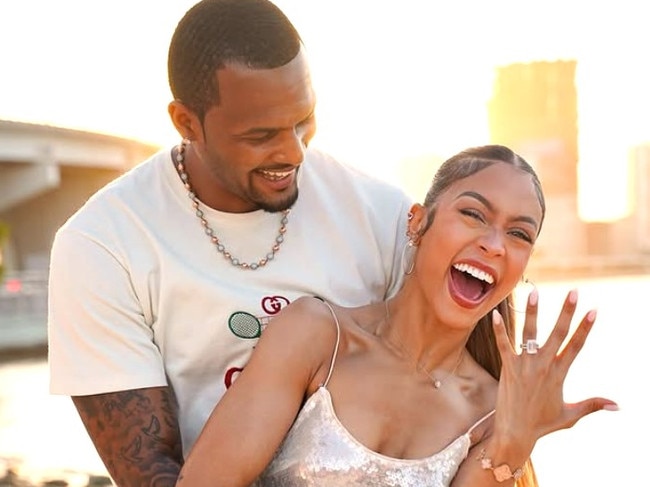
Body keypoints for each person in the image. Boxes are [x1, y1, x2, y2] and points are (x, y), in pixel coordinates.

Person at [47, 1, 412, 485]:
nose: (293, 152)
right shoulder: (102, 245)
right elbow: (149, 470)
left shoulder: (383, 216)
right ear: (186, 122)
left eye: (304, 120)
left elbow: (447, 399)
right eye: (260, 135)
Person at [176, 145, 619, 487]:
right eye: (473, 214)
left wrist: (513, 443)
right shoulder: (316, 337)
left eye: (519, 234)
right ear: (417, 223)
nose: (495, 244)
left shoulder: (493, 414)